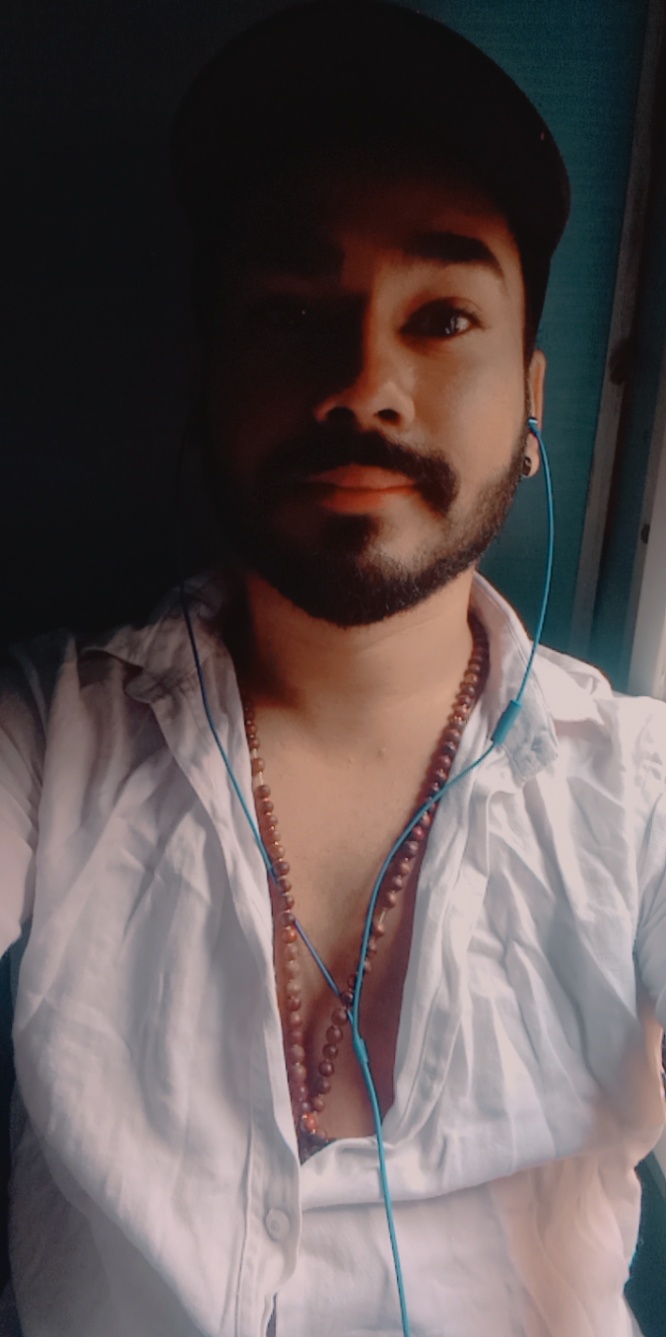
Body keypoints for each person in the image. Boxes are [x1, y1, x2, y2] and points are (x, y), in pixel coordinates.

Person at [0, 3, 664, 1334]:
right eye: (292, 311)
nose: (365, 381)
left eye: (443, 316)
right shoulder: (48, 738)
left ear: (533, 400)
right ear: (204, 377)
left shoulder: (642, 803)